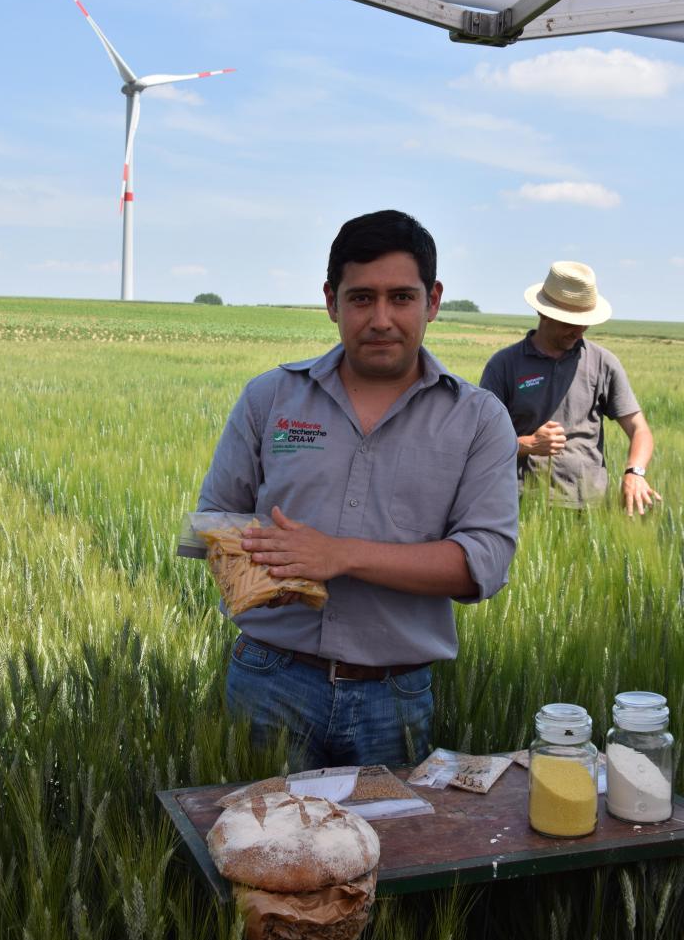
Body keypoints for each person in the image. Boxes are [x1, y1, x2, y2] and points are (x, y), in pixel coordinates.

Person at [197, 209, 518, 770]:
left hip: (392, 695)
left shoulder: (478, 419)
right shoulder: (271, 398)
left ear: (433, 300)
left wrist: (339, 556)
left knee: (390, 853)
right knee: (258, 848)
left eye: (401, 297)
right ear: (331, 301)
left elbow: (483, 563)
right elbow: (215, 518)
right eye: (361, 297)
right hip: (269, 678)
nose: (381, 319)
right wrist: (263, 575)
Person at [480, 261, 661, 515]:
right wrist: (529, 444)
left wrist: (635, 472)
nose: (578, 331)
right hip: (521, 506)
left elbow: (639, 429)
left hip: (591, 509)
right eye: (568, 322)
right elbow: (481, 443)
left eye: (584, 322)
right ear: (543, 313)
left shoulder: (603, 363)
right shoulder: (504, 365)